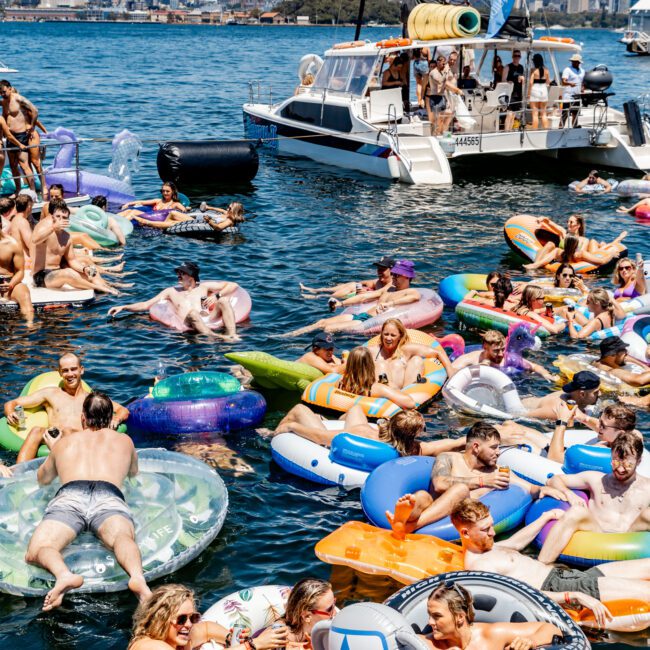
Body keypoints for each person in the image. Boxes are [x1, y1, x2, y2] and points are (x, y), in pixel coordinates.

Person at [25, 392, 150, 610]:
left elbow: (42, 479)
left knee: (39, 548)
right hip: (108, 495)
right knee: (122, 537)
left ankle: (64, 575)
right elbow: (133, 473)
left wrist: (55, 451)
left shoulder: (64, 443)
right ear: (111, 417)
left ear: (83, 417)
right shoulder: (125, 441)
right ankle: (137, 577)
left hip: (71, 495)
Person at [451, 498, 650, 628]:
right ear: (466, 533)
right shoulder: (479, 568)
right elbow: (521, 597)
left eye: (492, 525)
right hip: (563, 587)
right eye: (486, 529)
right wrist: (572, 596)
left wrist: (545, 518)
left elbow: (515, 543)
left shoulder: (488, 546)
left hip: (569, 576)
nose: (493, 532)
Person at [386, 422, 562, 533]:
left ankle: (407, 526)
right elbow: (439, 484)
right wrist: (481, 482)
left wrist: (544, 489)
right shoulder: (449, 458)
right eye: (493, 447)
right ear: (476, 447)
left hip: (457, 523)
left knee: (461, 490)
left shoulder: (497, 471)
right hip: (432, 509)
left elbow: (529, 488)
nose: (498, 452)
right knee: (422, 497)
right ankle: (406, 517)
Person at [539, 432, 650, 564]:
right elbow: (554, 480)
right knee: (576, 512)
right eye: (615, 462)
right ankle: (541, 565)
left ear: (639, 461)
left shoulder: (647, 487)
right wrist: (569, 494)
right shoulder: (595, 479)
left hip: (631, 535)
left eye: (628, 464)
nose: (620, 469)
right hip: (596, 532)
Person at [4, 352, 128, 462]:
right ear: (59, 372)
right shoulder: (50, 393)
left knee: (69, 431)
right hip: (55, 437)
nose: (70, 374)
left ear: (81, 370)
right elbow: (12, 403)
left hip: (81, 442)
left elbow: (123, 410)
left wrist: (116, 419)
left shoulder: (91, 399)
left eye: (73, 369)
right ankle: (18, 475)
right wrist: (10, 412)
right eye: (65, 370)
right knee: (36, 431)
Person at [283, 259, 421, 337]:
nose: (394, 277)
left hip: (371, 321)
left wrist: (391, 303)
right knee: (322, 322)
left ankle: (318, 347)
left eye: (397, 275)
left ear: (407, 277)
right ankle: (289, 336)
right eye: (394, 274)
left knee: (328, 329)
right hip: (361, 316)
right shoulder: (389, 288)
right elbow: (367, 296)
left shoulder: (410, 291)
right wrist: (341, 304)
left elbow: (415, 297)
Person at [108, 262, 241, 341]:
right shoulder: (171, 291)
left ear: (191, 277)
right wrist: (124, 307)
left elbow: (233, 285)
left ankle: (232, 335)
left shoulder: (203, 287)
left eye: (182, 273)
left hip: (207, 319)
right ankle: (217, 338)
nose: (178, 275)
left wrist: (217, 296)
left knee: (223, 300)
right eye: (178, 273)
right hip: (188, 322)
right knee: (193, 313)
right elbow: (146, 304)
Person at [128, 583, 287, 649]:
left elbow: (205, 628)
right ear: (161, 619)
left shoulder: (178, 638)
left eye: (193, 617)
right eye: (182, 619)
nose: (189, 624)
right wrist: (253, 644)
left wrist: (230, 638)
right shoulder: (149, 645)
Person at [273, 404, 465, 457]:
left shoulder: (362, 433)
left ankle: (270, 434)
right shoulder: (410, 448)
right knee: (356, 409)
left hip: (332, 444)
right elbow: (441, 445)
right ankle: (321, 419)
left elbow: (320, 438)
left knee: (299, 410)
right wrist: (462, 441)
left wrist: (291, 427)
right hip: (357, 431)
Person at [419, 582, 562, 650]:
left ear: (460, 617)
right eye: (430, 615)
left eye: (437, 616)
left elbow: (551, 629)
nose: (429, 622)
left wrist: (530, 641)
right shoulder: (426, 643)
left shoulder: (492, 635)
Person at [31, 199, 119, 295]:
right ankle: (98, 288)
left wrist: (84, 269)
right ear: (53, 217)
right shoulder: (44, 227)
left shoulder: (67, 237)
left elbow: (72, 261)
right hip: (41, 276)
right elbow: (35, 239)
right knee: (68, 272)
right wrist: (53, 228)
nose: (61, 220)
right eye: (58, 217)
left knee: (92, 270)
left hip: (57, 272)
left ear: (68, 220)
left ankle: (108, 290)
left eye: (64, 217)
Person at [367, 318, 454, 388]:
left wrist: (451, 376)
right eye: (386, 334)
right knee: (380, 365)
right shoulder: (373, 350)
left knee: (416, 360)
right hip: (380, 394)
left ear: (400, 336)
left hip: (402, 393)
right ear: (381, 334)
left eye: (393, 335)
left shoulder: (406, 349)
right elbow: (355, 357)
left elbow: (438, 353)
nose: (388, 338)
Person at [546, 402, 638, 464]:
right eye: (599, 421)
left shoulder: (600, 451)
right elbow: (610, 429)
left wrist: (562, 420)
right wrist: (584, 418)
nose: (598, 426)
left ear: (620, 433)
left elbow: (554, 457)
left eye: (603, 425)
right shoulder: (633, 438)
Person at [452, 329, 557, 382]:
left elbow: (534, 366)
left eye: (503, 349)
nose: (501, 354)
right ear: (485, 347)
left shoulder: (509, 358)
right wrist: (479, 367)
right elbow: (451, 371)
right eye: (496, 351)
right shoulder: (472, 359)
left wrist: (545, 374)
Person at [299, 255, 395, 304]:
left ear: (391, 270)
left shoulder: (391, 285)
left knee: (353, 286)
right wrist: (354, 286)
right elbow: (364, 282)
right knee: (353, 284)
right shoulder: (379, 281)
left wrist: (364, 292)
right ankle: (316, 290)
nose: (379, 272)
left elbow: (379, 294)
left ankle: (320, 297)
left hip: (371, 300)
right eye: (378, 269)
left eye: (382, 269)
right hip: (365, 296)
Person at [0, 80, 38, 193]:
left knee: (24, 164)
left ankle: (33, 192)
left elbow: (35, 110)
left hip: (21, 135)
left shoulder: (18, 99)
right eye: (0, 93)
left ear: (10, 88)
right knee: (13, 165)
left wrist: (32, 126)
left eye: (4, 92)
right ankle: (18, 190)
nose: (3, 94)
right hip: (10, 136)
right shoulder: (3, 102)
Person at [275, 578, 336, 648]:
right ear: (307, 616)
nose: (335, 613)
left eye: (334, 602)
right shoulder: (279, 639)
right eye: (330, 609)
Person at [521, 369, 600, 422]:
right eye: (596, 392)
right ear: (582, 394)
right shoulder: (556, 410)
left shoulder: (572, 395)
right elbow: (521, 416)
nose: (600, 394)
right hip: (521, 408)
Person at [524, 234, 619, 272]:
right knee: (594, 243)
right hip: (581, 271)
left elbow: (543, 262)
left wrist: (534, 265)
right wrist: (611, 254)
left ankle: (532, 266)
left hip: (565, 268)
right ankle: (608, 244)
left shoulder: (558, 252)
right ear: (576, 246)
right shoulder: (580, 254)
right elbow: (602, 261)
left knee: (594, 244)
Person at [0, 216, 33, 325]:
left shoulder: (12, 244)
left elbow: (20, 271)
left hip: (8, 282)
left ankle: (30, 326)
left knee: (24, 294)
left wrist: (11, 284)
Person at [424, 55, 461, 136]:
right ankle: (435, 135)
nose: (433, 67)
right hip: (430, 97)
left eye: (434, 66)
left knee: (444, 116)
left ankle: (441, 133)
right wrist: (421, 100)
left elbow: (444, 84)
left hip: (441, 96)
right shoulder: (430, 74)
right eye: (431, 66)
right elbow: (424, 87)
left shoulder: (440, 72)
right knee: (434, 120)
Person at [119, 182, 186, 219]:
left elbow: (184, 212)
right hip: (150, 215)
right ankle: (112, 219)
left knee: (133, 212)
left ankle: (120, 225)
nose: (165, 193)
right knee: (128, 210)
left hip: (157, 219)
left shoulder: (175, 204)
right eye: (163, 191)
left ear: (173, 192)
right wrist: (128, 204)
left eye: (167, 191)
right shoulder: (158, 201)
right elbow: (142, 202)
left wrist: (186, 209)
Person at [502, 50, 524, 131]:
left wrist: (523, 79)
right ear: (512, 57)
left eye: (518, 56)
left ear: (520, 57)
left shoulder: (521, 67)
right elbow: (503, 80)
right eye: (515, 56)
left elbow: (523, 81)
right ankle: (506, 132)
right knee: (509, 114)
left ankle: (510, 132)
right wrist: (508, 82)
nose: (517, 57)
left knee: (514, 115)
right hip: (510, 93)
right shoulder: (508, 67)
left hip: (518, 93)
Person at [560, 54, 585, 128]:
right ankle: (560, 129)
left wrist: (583, 88)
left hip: (577, 95)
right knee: (565, 114)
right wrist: (569, 83)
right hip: (568, 96)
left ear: (579, 62)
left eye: (576, 61)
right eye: (573, 61)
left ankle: (574, 128)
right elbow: (563, 82)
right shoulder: (567, 70)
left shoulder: (582, 71)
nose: (574, 63)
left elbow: (582, 82)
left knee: (576, 114)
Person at [10, 192, 34, 261]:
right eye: (32, 206)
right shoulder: (22, 221)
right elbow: (30, 245)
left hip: (18, 258)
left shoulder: (14, 219)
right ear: (29, 206)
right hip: (26, 260)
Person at [528, 53, 550, 130]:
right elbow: (548, 83)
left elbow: (531, 83)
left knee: (535, 114)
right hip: (543, 91)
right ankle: (546, 130)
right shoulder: (546, 70)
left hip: (535, 90)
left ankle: (534, 131)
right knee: (544, 113)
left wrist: (528, 93)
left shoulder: (533, 70)